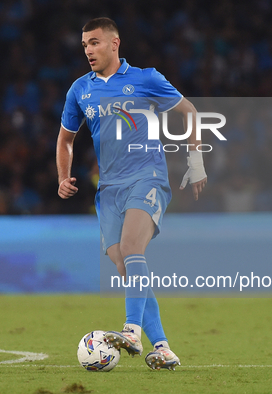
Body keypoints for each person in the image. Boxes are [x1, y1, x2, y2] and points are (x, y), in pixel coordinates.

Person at [56, 18, 207, 370]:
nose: (88, 50)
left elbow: (190, 112)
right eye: (84, 45)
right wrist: (63, 176)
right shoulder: (80, 89)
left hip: (148, 178)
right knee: (124, 264)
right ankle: (164, 348)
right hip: (108, 189)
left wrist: (195, 161)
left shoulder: (146, 78)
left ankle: (132, 331)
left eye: (94, 43)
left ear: (114, 43)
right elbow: (65, 139)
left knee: (131, 249)